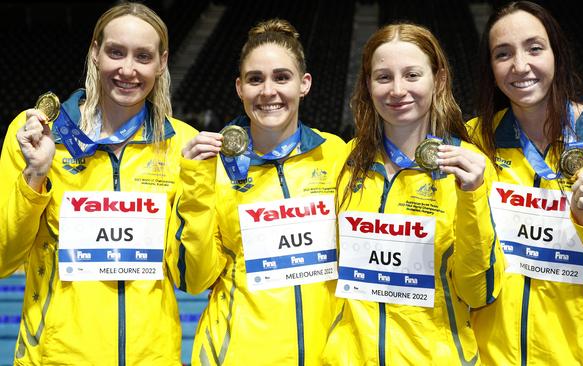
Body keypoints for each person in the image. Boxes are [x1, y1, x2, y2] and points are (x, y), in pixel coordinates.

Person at [0, 3, 197, 364]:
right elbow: (3, 257)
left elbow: (193, 277)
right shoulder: (38, 134)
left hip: (153, 357)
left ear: (162, 62)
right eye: (115, 52)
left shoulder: (182, 145)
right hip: (54, 356)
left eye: (143, 56)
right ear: (95, 52)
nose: (127, 69)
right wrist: (35, 176)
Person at [467, 1, 583, 364]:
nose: (520, 66)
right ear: (491, 67)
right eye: (503, 54)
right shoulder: (475, 141)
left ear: (557, 54)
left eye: (534, 48)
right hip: (492, 357)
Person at [320, 23, 504, 365]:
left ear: (439, 79)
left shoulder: (470, 169)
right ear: (368, 85)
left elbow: (479, 292)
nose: (397, 89)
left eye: (412, 75)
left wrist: (472, 196)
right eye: (384, 77)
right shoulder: (345, 163)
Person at [168, 19, 346, 365]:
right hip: (235, 354)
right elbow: (193, 279)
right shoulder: (212, 167)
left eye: (282, 77)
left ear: (304, 84)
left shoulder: (336, 154)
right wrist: (196, 185)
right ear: (239, 87)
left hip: (327, 355)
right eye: (255, 79)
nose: (268, 91)